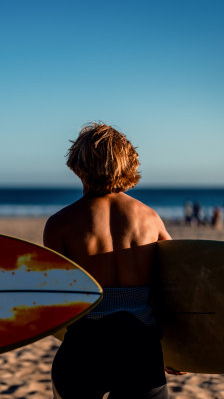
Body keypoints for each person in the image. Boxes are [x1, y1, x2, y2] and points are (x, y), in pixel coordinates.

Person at [43, 123, 172, 398]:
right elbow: (175, 285)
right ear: (128, 163)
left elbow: (56, 300)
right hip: (141, 350)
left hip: (84, 349)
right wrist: (180, 348)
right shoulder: (151, 219)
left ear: (77, 164)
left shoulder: (60, 225)